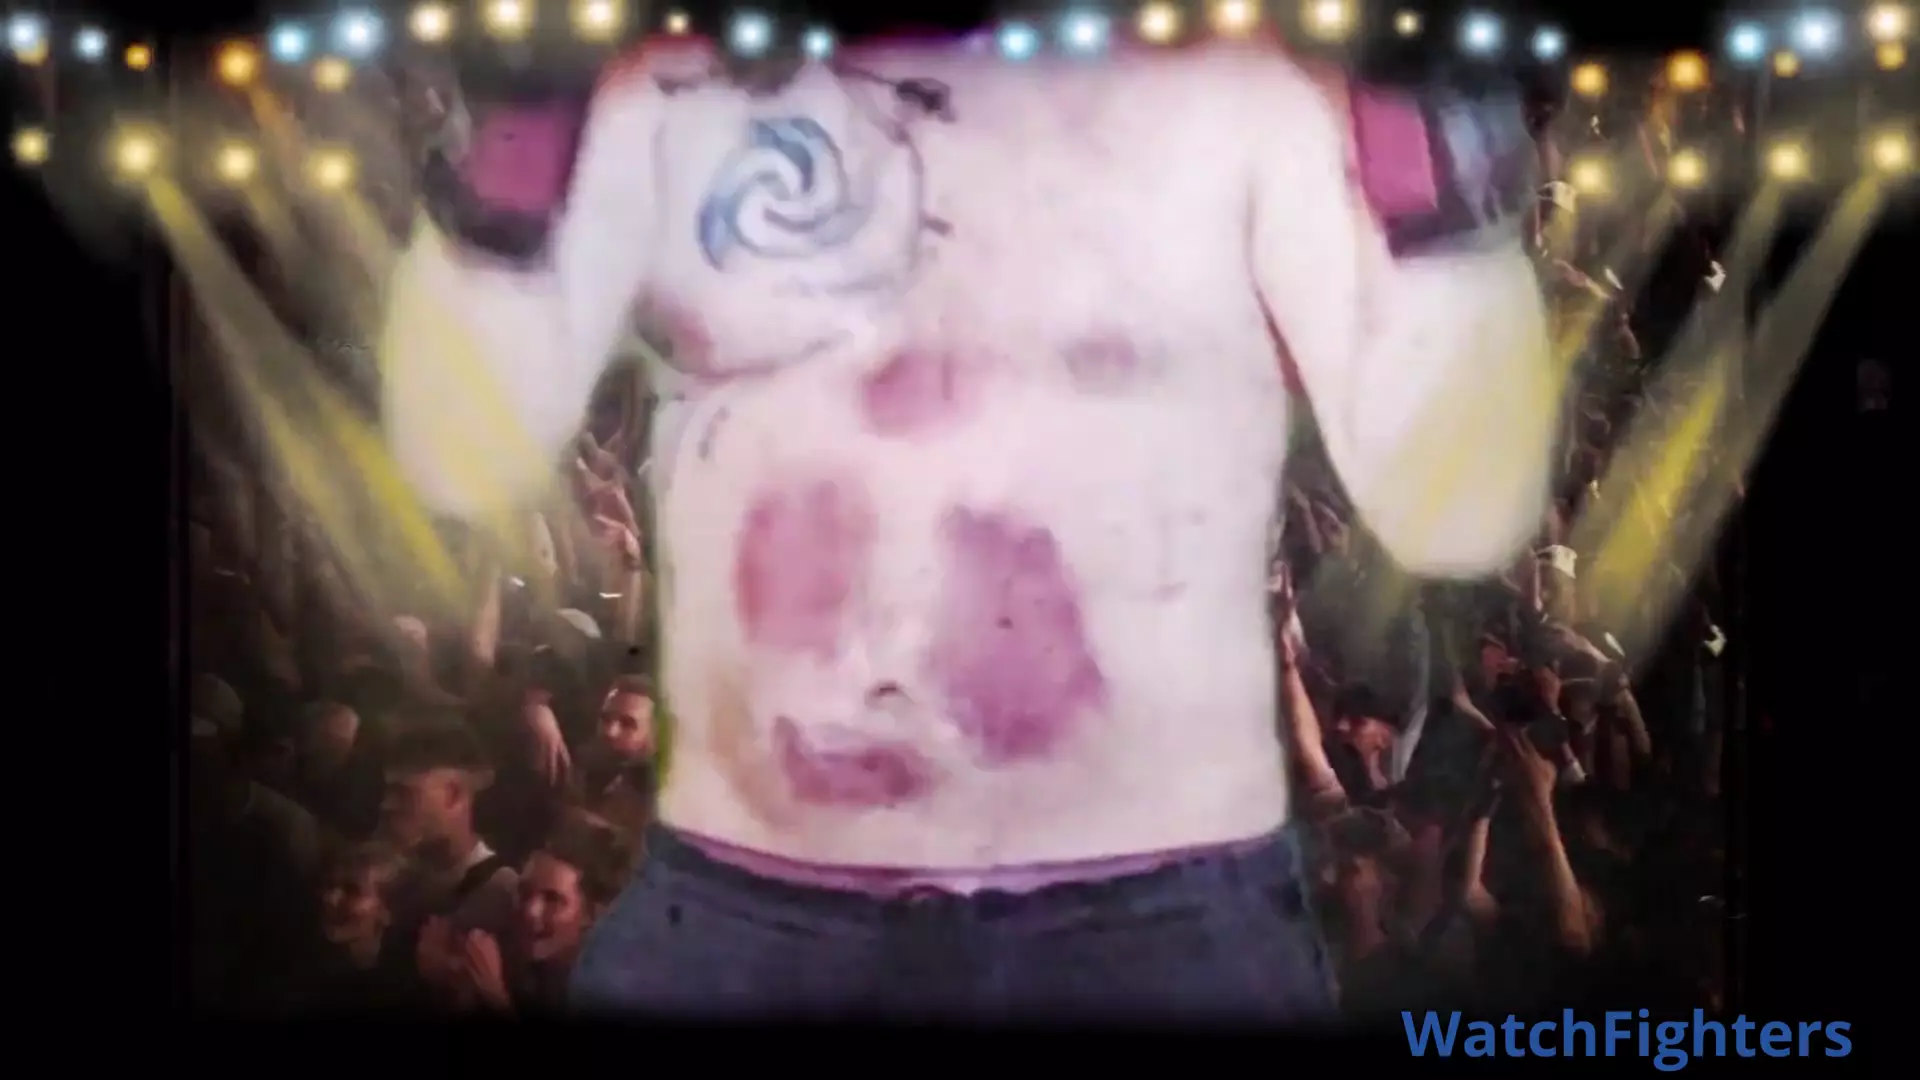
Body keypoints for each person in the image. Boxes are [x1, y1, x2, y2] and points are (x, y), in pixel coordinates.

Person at [379, 35, 1556, 1019]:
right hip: (746, 912)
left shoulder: (1243, 100)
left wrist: (1432, 144)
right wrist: (513, 136)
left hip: (1150, 917)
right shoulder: (665, 96)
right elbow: (460, 452)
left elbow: (1452, 507)